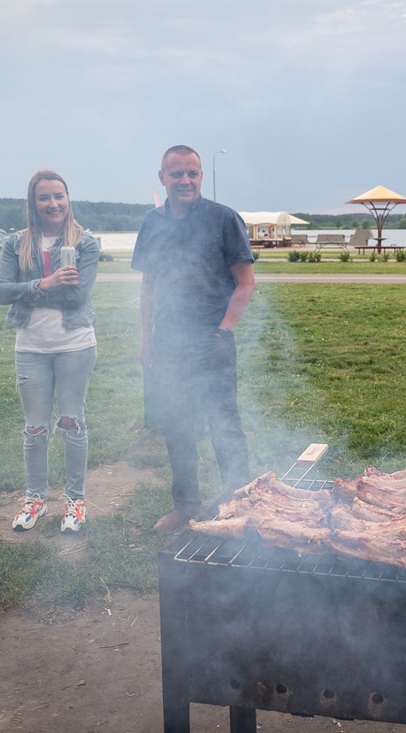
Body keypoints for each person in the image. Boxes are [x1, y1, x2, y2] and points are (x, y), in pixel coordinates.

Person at [132, 145, 256, 532]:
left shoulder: (223, 219)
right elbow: (148, 285)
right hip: (169, 343)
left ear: (200, 177)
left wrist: (223, 331)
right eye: (177, 174)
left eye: (192, 174)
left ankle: (239, 500)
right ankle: (185, 505)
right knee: (177, 427)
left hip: (212, 340)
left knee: (224, 425)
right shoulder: (152, 224)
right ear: (162, 177)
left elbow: (245, 283)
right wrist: (146, 337)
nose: (185, 181)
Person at [0, 170, 100, 533]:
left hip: (75, 345)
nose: (53, 204)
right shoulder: (16, 243)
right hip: (31, 348)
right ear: (33, 203)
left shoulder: (86, 243)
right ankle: (35, 499)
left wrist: (30, 288)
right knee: (35, 429)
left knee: (72, 423)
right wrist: (44, 283)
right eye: (44, 197)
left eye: (59, 196)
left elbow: (77, 295)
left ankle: (75, 500)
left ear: (68, 199)